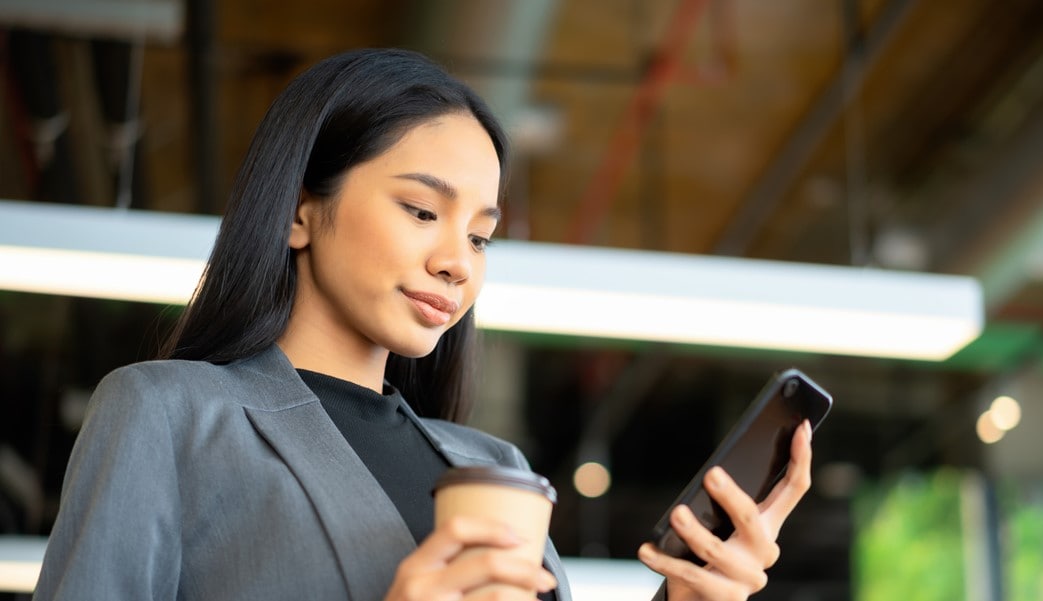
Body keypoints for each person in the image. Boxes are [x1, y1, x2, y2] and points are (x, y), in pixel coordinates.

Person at [34, 48, 814, 601]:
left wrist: (693, 598)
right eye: (420, 210)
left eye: (480, 234)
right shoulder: (168, 414)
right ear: (301, 210)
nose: (458, 261)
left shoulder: (494, 466)